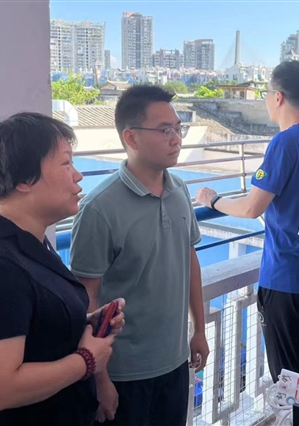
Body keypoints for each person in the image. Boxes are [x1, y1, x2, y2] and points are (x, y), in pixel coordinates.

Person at [0, 112, 124, 426]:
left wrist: (83, 321)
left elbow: (28, 325)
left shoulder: (27, 242)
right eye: (66, 163)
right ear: (23, 179)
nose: (78, 176)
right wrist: (86, 361)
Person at [70, 85, 208, 426]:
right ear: (130, 137)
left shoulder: (180, 190)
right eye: (165, 130)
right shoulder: (99, 209)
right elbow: (85, 300)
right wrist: (100, 378)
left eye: (178, 128)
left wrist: (199, 330)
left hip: (175, 363)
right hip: (124, 373)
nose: (176, 139)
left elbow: (189, 259)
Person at [195, 60, 299, 382]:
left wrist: (213, 200)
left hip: (287, 278)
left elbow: (252, 208)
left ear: (278, 97)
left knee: (290, 379)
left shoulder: (285, 142)